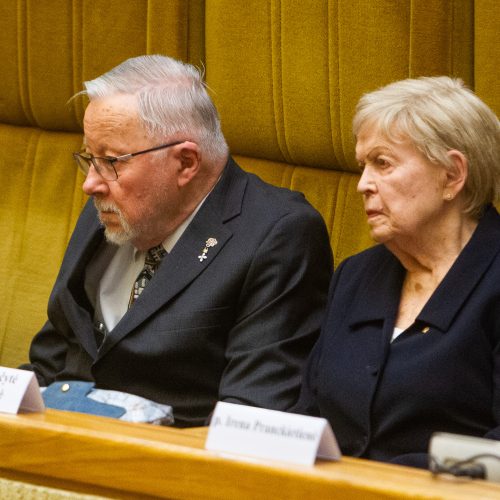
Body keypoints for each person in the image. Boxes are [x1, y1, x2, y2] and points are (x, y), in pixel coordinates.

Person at [25, 55, 333, 427]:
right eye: (90, 158)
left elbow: (249, 417)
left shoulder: (277, 235)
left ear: (186, 162)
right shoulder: (111, 212)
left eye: (111, 161)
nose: (90, 183)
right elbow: (49, 363)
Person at [295, 76, 500, 468]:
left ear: (452, 175)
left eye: (382, 163)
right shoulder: (354, 276)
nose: (362, 185)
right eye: (362, 166)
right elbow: (307, 415)